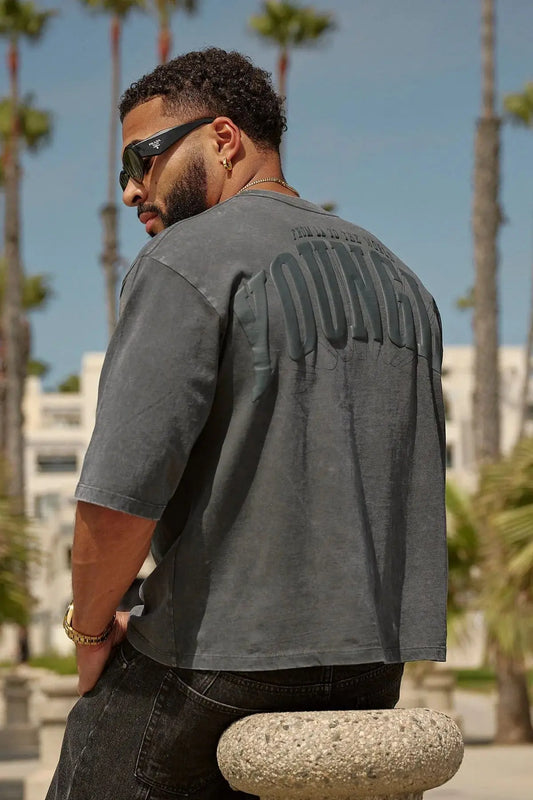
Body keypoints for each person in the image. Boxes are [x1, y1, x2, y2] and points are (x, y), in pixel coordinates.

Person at [47, 48, 447, 800]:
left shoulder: (185, 259)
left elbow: (119, 497)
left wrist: (91, 630)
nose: (131, 188)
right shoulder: (404, 282)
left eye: (141, 158)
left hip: (214, 656)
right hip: (372, 665)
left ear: (223, 139)